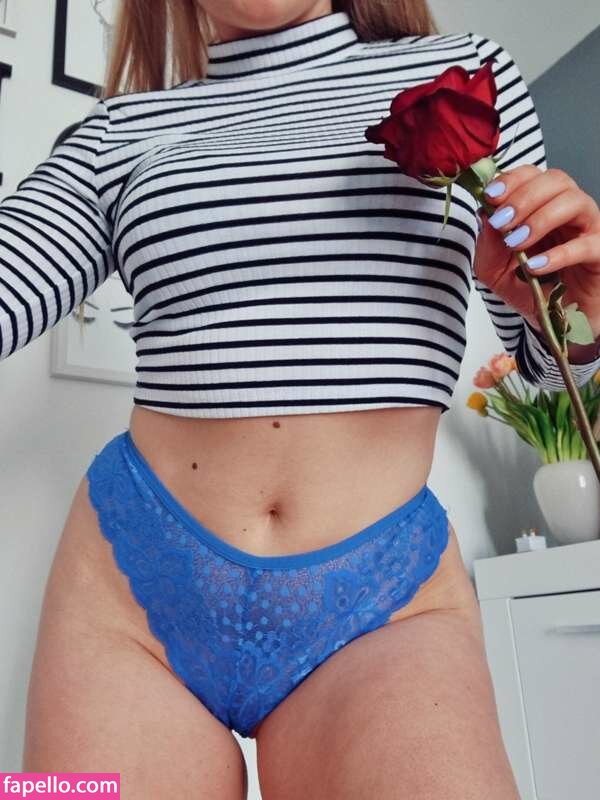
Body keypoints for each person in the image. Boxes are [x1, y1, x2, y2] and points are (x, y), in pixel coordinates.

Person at [2, 1, 600, 797]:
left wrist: (580, 321)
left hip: (385, 605)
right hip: (128, 592)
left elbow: (547, 367)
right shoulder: (119, 129)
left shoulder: (462, 79)